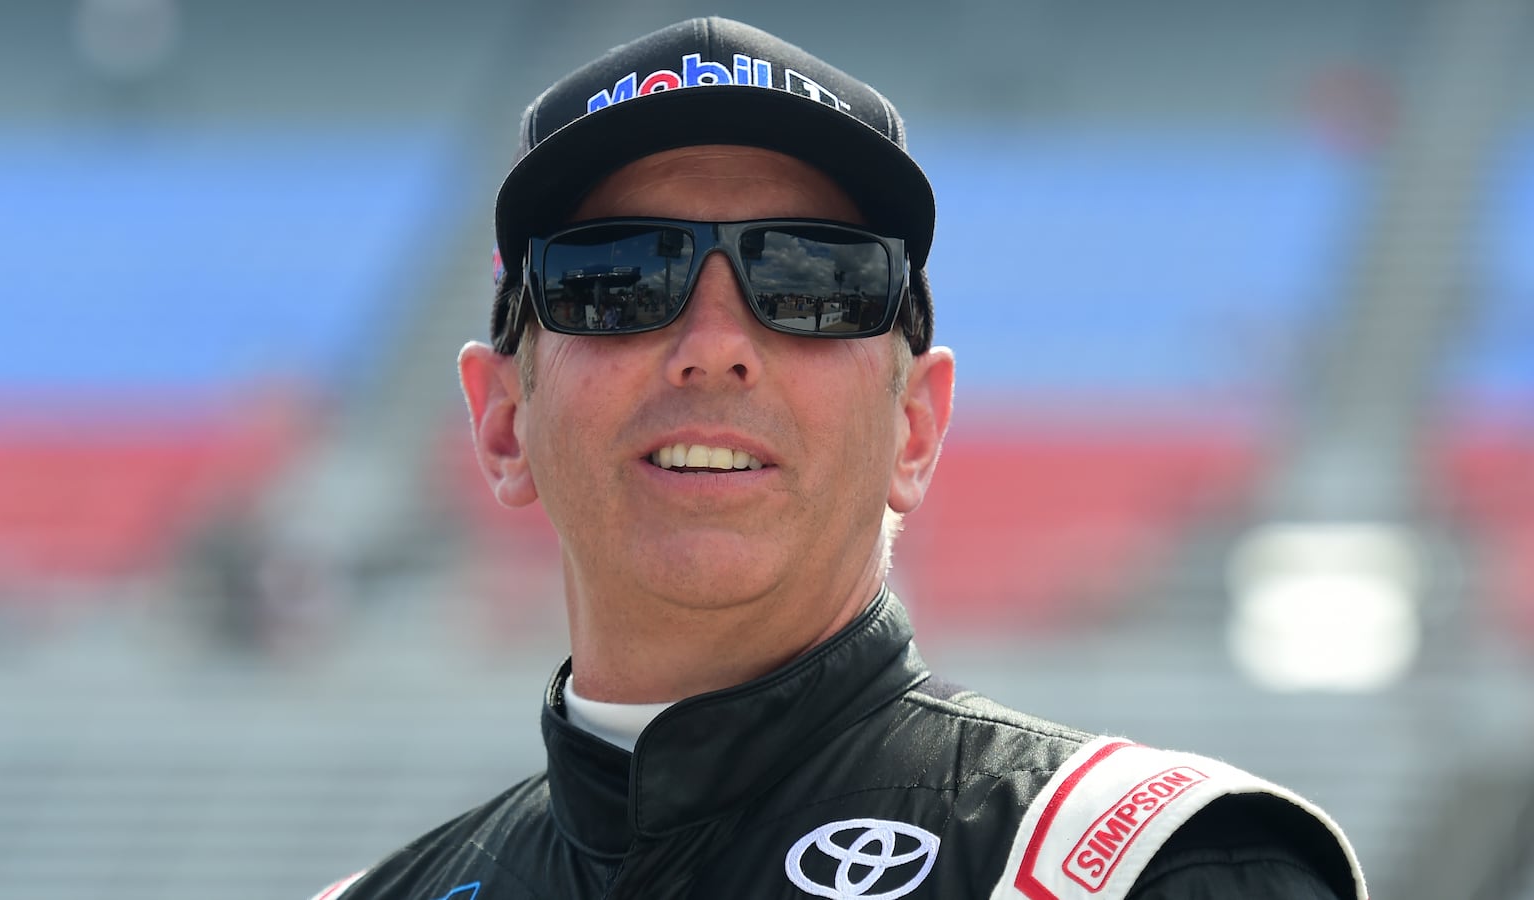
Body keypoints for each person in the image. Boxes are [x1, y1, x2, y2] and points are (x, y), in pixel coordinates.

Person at [312, 17, 1367, 900]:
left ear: (915, 429)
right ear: (502, 424)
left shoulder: (1156, 868)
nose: (714, 347)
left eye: (813, 282)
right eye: (617, 278)